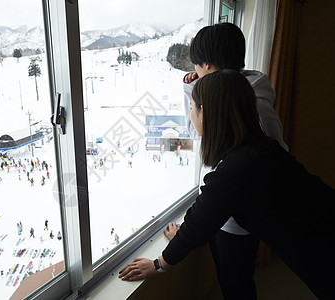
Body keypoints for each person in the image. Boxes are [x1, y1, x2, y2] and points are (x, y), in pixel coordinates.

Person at [118, 70, 335, 300]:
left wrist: (159, 264)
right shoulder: (261, 148)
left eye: (192, 107)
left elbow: (199, 222)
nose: (190, 116)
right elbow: (207, 213)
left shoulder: (234, 171)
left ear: (206, 114)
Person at [168, 22, 289, 300]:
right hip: (221, 211)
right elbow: (197, 131)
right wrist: (192, 91)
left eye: (198, 66)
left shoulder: (253, 106)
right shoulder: (230, 95)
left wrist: (162, 262)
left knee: (236, 284)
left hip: (237, 220)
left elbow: (272, 158)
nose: (195, 73)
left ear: (209, 67)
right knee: (230, 278)